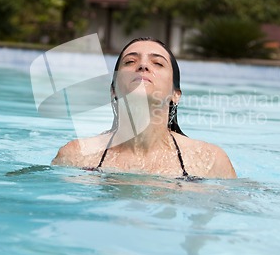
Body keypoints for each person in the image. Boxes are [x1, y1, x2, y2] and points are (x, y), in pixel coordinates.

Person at [52, 37, 236, 179]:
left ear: (175, 95)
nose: (143, 65)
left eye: (158, 63)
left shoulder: (208, 160)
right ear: (113, 91)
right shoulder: (77, 155)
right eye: (130, 62)